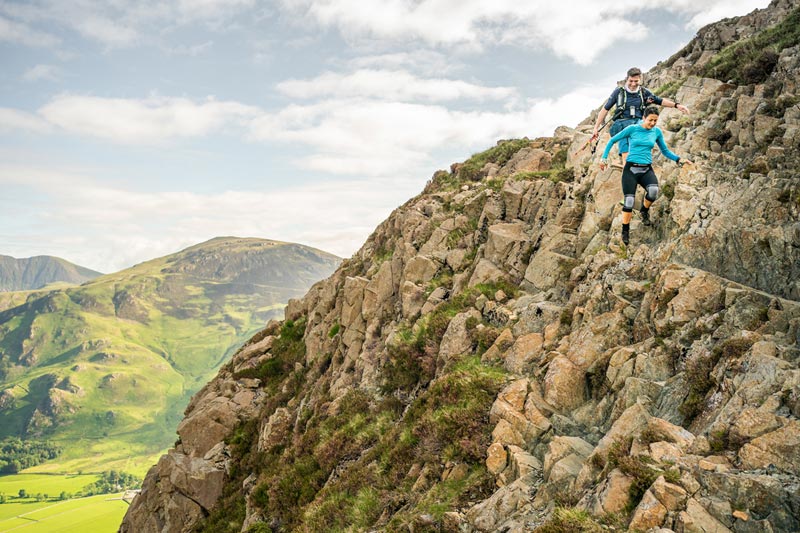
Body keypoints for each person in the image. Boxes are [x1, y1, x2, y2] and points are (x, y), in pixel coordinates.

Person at [599, 106, 692, 245]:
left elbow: (665, 151)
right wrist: (604, 158)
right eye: (650, 120)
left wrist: (679, 159)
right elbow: (612, 140)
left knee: (653, 191)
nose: (653, 123)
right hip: (630, 170)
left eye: (655, 120)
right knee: (629, 201)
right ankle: (625, 230)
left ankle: (644, 211)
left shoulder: (656, 132)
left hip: (646, 169)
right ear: (643, 118)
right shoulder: (633, 129)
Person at [592, 67, 689, 166]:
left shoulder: (644, 92)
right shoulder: (619, 92)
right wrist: (596, 127)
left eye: (636, 81)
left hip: (638, 125)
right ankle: (629, 172)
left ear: (640, 79)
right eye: (631, 81)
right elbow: (605, 109)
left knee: (640, 150)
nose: (633, 84)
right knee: (626, 154)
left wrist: (677, 105)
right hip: (622, 126)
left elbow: (660, 101)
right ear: (627, 79)